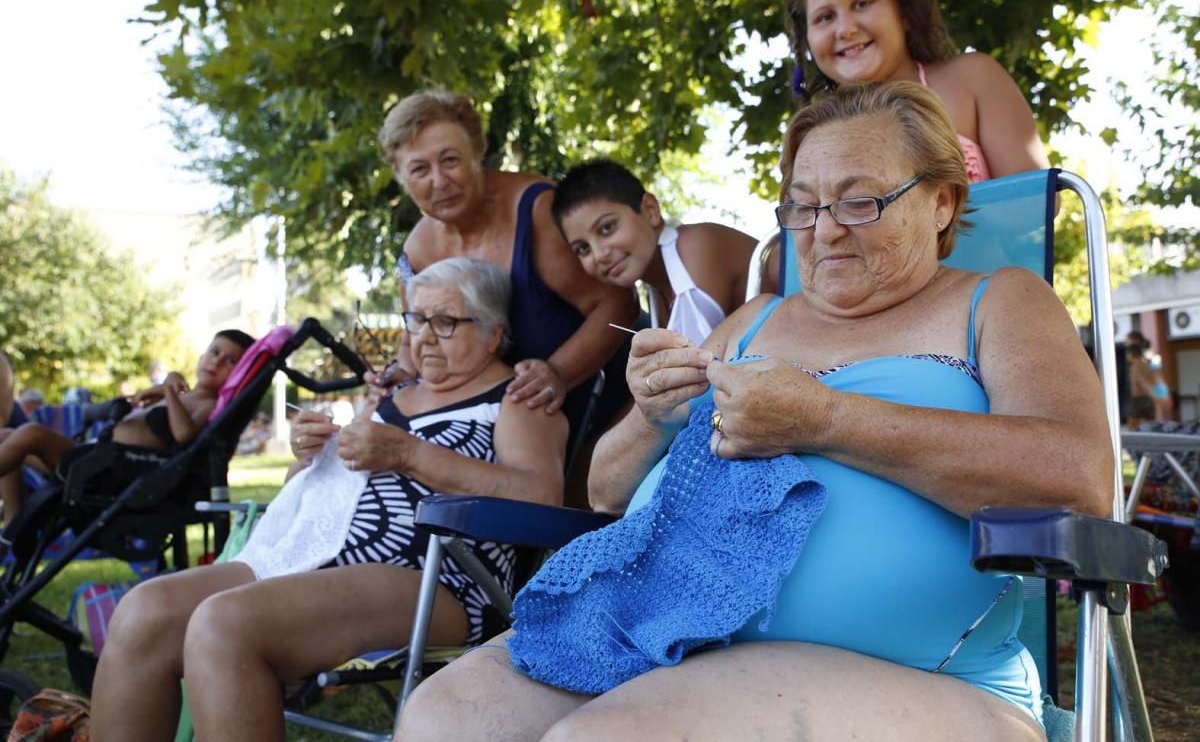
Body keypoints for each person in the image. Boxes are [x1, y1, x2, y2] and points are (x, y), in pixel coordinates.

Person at [397, 82, 1112, 742]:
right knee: (445, 719)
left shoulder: (998, 301)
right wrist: (652, 415)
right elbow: (607, 493)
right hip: (668, 627)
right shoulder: (755, 318)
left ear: (942, 203)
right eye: (801, 205)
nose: (824, 231)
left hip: (927, 674)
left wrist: (826, 420)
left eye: (859, 201)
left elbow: (1078, 481)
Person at [91, 258, 569, 742]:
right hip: (310, 556)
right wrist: (308, 454)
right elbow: (323, 492)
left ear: (493, 332)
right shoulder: (391, 395)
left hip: (434, 578)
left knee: (224, 623)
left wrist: (410, 454)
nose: (424, 337)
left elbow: (541, 497)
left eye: (445, 322)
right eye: (416, 320)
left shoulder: (517, 397)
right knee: (143, 611)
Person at [379, 89, 638, 442]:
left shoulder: (536, 212)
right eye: (420, 169)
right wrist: (401, 374)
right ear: (401, 178)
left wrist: (558, 373)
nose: (439, 181)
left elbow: (618, 303)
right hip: (490, 433)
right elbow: (415, 343)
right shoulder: (416, 252)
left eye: (451, 160)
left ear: (477, 153)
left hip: (600, 418)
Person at [787, 0, 1051, 182]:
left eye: (862, 3)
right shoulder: (813, 136)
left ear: (903, 12)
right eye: (825, 17)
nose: (845, 29)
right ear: (808, 39)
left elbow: (1037, 199)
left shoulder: (971, 79)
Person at [0, 330, 253, 526]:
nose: (217, 362)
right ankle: (10, 524)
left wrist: (168, 390)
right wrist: (163, 389)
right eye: (214, 352)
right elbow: (137, 404)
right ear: (202, 356)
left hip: (110, 472)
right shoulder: (184, 394)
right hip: (98, 458)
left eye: (230, 360)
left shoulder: (208, 404)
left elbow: (184, 434)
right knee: (8, 436)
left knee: (31, 434)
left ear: (238, 375)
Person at [552, 158, 779, 345]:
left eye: (607, 228)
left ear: (650, 210)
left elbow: (692, 373)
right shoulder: (658, 289)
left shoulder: (696, 245)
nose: (600, 254)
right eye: (583, 248)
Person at [1125, 330, 1170, 425]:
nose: (1126, 344)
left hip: (1151, 393)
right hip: (1144, 393)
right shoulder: (1136, 356)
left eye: (1128, 341)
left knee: (1152, 421)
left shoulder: (1149, 354)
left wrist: (1162, 393)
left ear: (1135, 341)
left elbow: (1157, 374)